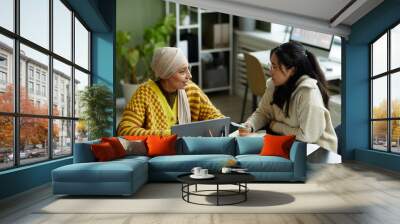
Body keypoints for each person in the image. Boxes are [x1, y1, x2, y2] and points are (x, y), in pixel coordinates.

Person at [243, 41, 339, 163]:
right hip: (290, 145)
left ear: (292, 70)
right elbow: (263, 112)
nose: (270, 70)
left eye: (275, 67)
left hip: (317, 154)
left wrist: (275, 126)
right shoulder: (274, 84)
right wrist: (249, 125)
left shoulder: (308, 93)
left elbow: (307, 136)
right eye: (270, 65)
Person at [117, 47, 224, 136]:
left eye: (188, 69)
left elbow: (218, 119)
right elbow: (124, 130)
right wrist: (170, 135)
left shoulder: (192, 90)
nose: (189, 76)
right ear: (166, 74)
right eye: (182, 71)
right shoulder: (144, 93)